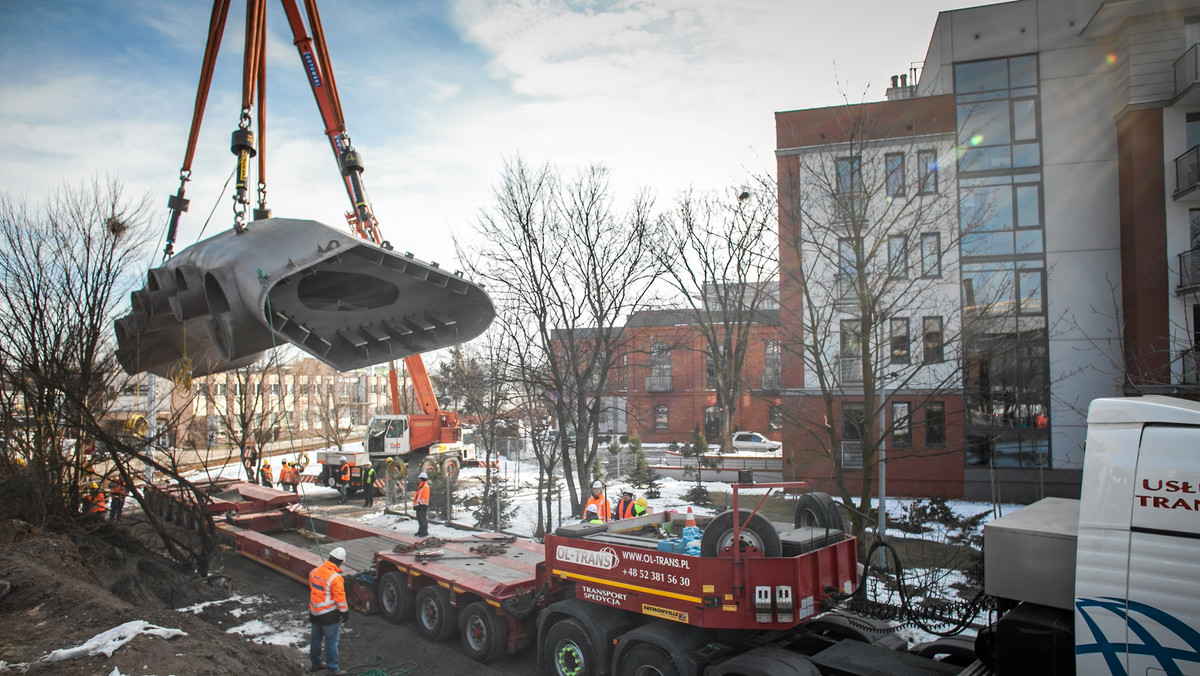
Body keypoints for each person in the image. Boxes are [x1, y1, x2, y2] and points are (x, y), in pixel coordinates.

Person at [308, 546, 349, 675]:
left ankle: (316, 664)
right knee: (331, 643)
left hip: (314, 613)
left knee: (315, 639)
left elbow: (313, 587)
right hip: (328, 616)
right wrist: (345, 612)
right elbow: (340, 598)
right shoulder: (335, 578)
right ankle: (333, 670)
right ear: (341, 562)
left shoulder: (314, 571)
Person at [413, 471, 430, 537]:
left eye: (419, 478)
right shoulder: (420, 486)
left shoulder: (425, 486)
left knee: (422, 519)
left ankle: (424, 532)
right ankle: (420, 531)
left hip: (422, 505)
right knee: (419, 519)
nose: (418, 479)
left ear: (422, 479)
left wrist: (421, 504)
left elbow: (424, 497)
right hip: (419, 505)